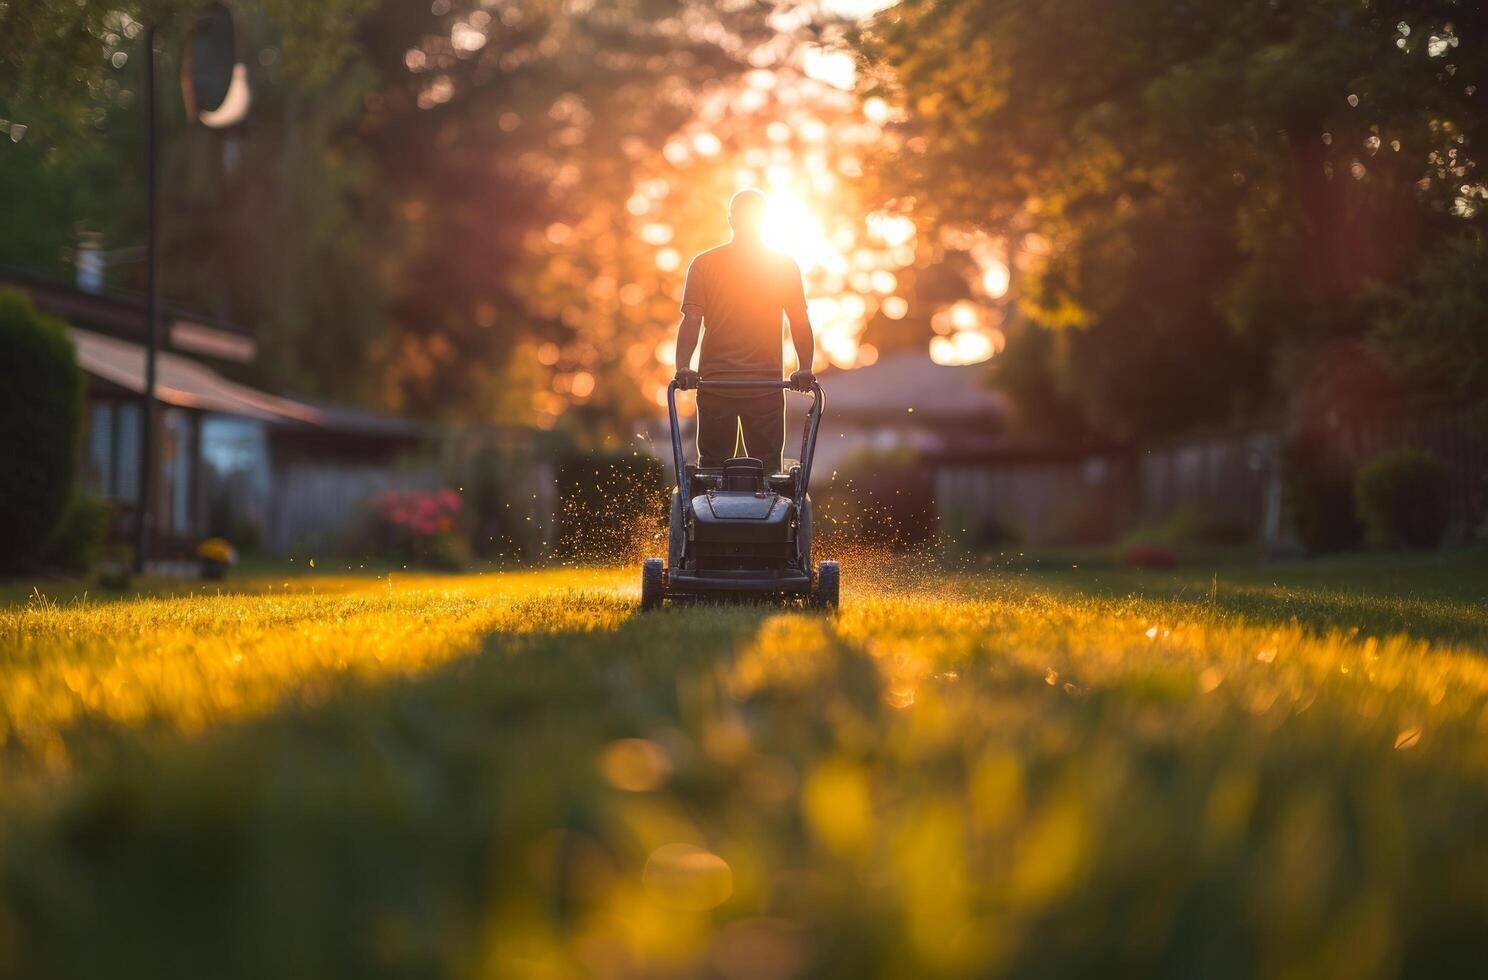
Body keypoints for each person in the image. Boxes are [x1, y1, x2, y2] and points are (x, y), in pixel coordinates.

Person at [673, 188, 815, 474]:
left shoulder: (704, 264)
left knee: (713, 473)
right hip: (764, 386)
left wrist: (684, 368)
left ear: (731, 220)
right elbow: (799, 319)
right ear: (764, 221)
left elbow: (692, 319)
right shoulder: (783, 266)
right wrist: (805, 368)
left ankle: (710, 516)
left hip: (717, 385)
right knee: (769, 474)